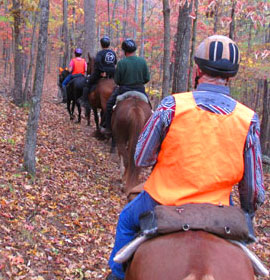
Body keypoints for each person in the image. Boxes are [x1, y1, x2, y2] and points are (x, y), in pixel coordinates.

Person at [106, 35, 265, 280]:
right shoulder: (249, 119)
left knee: (126, 220)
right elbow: (253, 190)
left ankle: (116, 276)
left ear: (197, 70)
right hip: (219, 207)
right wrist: (246, 213)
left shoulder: (172, 106)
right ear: (231, 76)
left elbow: (141, 157)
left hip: (162, 198)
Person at [100, 38, 150, 136]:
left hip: (124, 90)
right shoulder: (142, 61)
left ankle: (108, 128)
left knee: (109, 105)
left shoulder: (122, 63)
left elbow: (117, 80)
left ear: (124, 50)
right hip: (140, 90)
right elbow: (147, 78)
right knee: (150, 108)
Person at [80, 36, 117, 106]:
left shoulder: (100, 53)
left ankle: (84, 101)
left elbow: (98, 63)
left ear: (101, 44)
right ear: (109, 44)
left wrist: (103, 71)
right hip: (112, 73)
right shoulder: (113, 53)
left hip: (101, 72)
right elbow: (115, 62)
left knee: (87, 83)